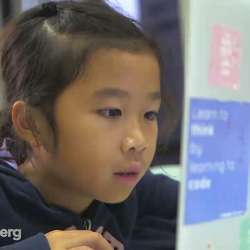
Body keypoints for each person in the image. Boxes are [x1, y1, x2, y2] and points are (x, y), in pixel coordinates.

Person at [0, 1, 178, 249]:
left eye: (149, 114)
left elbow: (211, 209)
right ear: (31, 123)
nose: (138, 141)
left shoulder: (134, 189)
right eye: (111, 112)